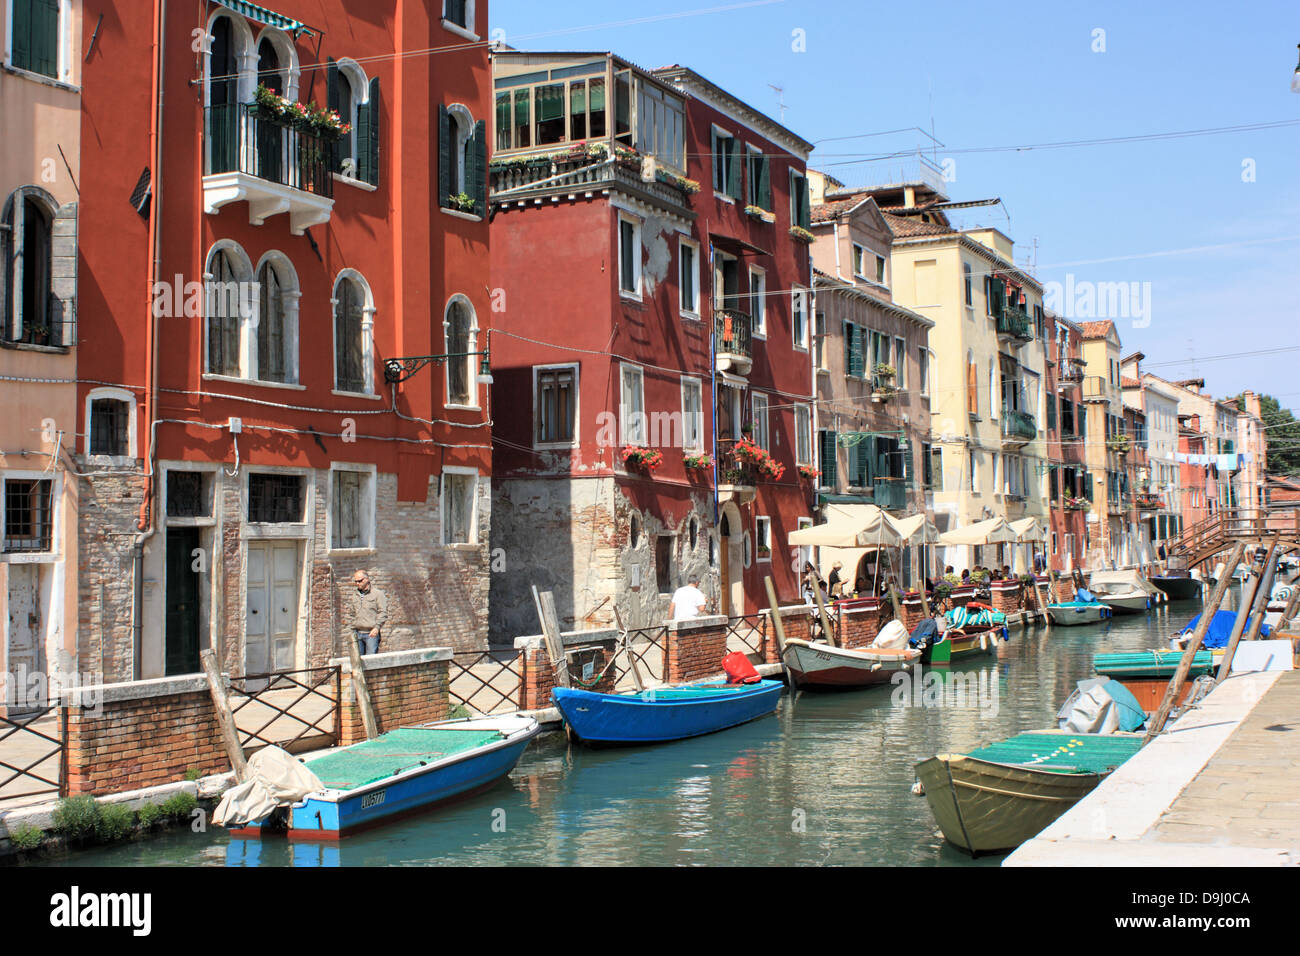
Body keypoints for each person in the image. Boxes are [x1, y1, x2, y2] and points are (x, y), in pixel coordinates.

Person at [350, 570, 387, 656]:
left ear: (367, 579)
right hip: (357, 633)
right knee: (358, 662)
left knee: (371, 662)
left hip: (371, 634)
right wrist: (352, 630)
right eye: (356, 581)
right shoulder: (355, 595)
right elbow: (352, 614)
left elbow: (383, 612)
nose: (357, 583)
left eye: (360, 581)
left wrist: (377, 628)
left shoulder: (377, 594)